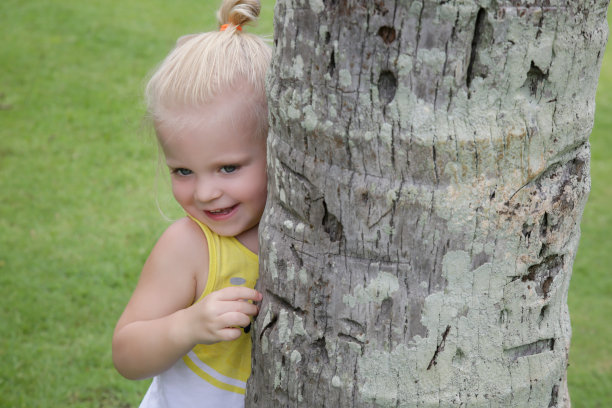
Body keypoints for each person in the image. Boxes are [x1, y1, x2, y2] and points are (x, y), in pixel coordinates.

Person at [112, 1, 271, 406]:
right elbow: (127, 353)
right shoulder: (190, 245)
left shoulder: (302, 230)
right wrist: (189, 325)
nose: (203, 193)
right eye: (183, 171)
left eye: (228, 168)